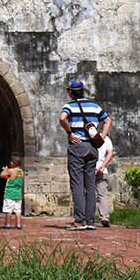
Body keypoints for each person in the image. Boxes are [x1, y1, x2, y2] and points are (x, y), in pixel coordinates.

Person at [59, 79, 111, 231]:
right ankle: (90, 220)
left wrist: (69, 133)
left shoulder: (70, 105)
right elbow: (108, 120)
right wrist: (102, 137)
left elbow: (62, 118)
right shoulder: (94, 106)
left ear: (70, 92)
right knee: (90, 184)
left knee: (77, 183)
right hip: (92, 148)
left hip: (77, 146)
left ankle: (80, 220)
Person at [0, 152, 24, 229]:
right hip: (18, 194)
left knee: (8, 210)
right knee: (18, 210)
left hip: (10, 194)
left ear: (12, 163)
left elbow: (2, 175)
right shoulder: (21, 172)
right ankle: (18, 224)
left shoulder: (11, 171)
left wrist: (6, 169)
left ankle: (8, 224)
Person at [95, 134, 114, 228]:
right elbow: (110, 153)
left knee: (87, 193)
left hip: (89, 168)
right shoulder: (106, 138)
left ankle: (87, 216)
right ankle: (104, 217)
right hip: (102, 169)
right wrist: (103, 165)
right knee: (102, 194)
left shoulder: (87, 137)